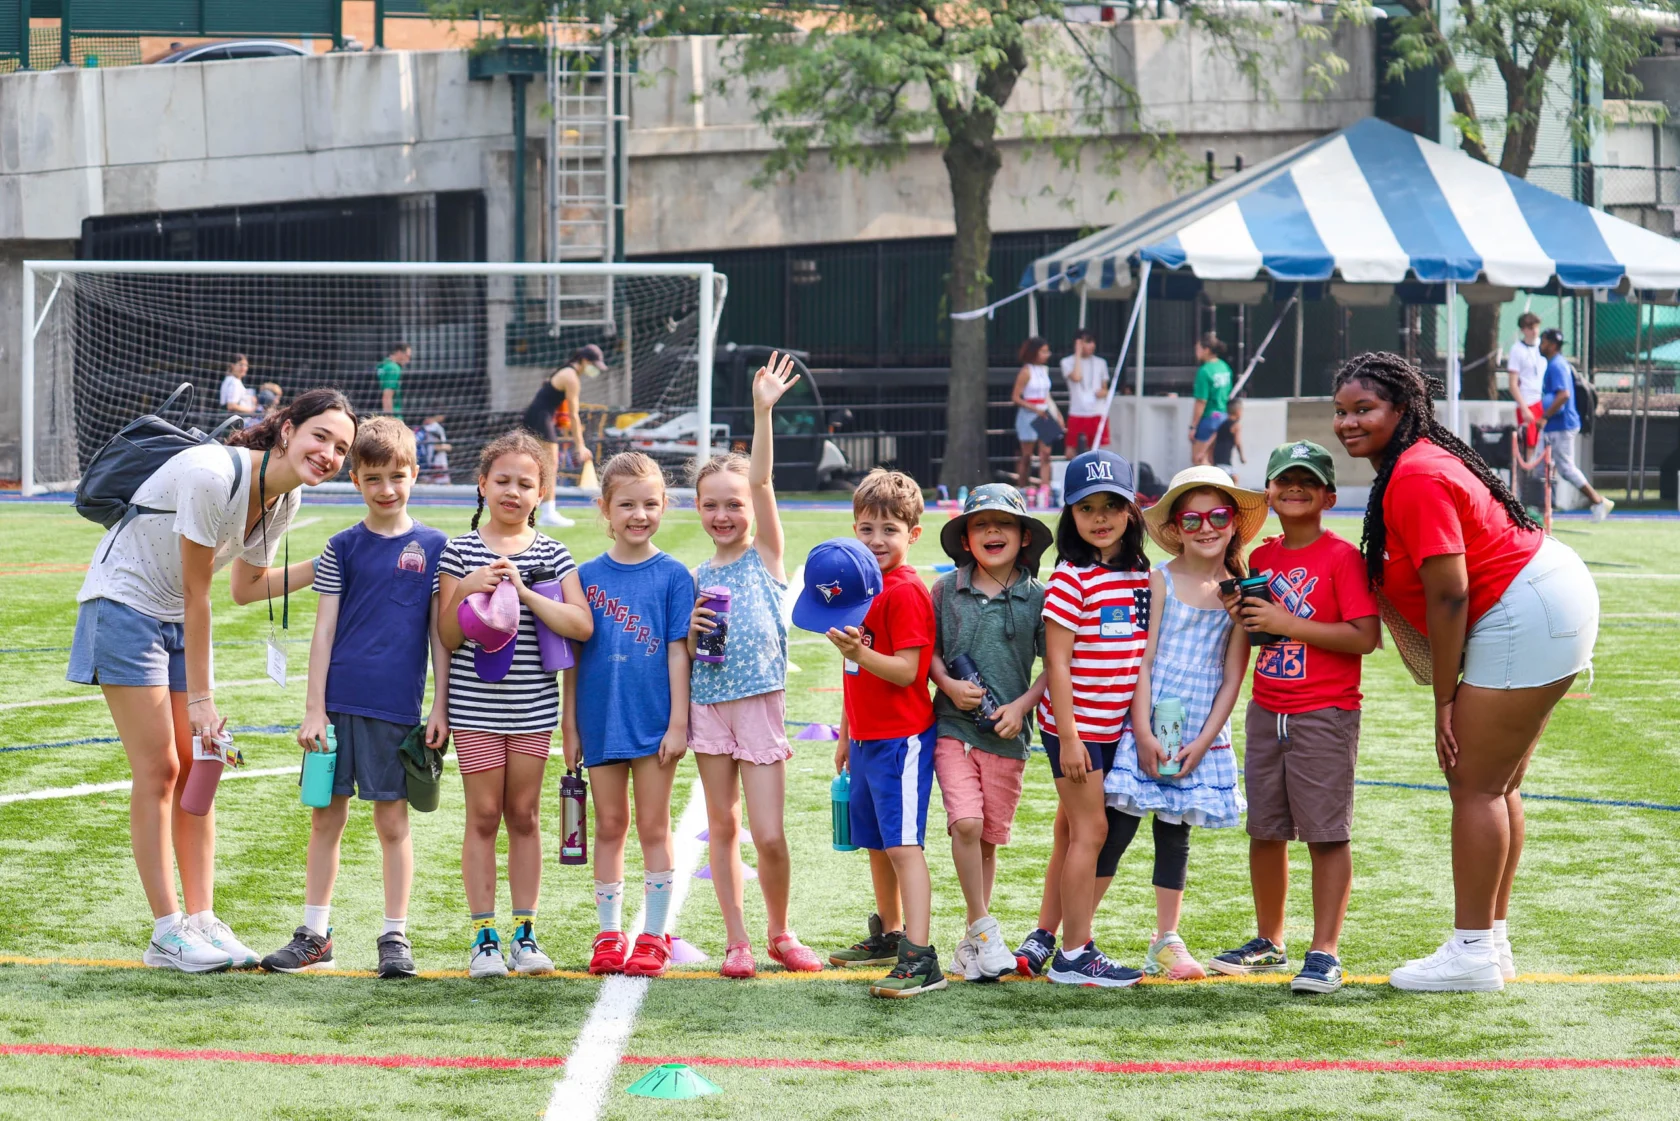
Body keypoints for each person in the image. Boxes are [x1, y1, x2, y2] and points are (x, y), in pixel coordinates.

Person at [1331, 352, 1599, 992]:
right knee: (1498, 782)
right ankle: (1492, 943)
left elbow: (1449, 594)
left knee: (1473, 784)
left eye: (1364, 409)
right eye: (1340, 412)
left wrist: (1444, 701)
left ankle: (1473, 951)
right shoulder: (1413, 464)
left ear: (1402, 410)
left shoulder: (1415, 475)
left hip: (1526, 605)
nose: (1347, 423)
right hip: (1542, 596)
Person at [69, 389, 357, 971]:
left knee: (202, 769)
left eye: (341, 448)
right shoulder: (209, 474)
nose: (328, 453)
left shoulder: (285, 498)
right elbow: (201, 594)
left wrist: (335, 563)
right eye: (319, 436)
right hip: (123, 606)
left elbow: (246, 587)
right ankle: (166, 932)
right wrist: (203, 701)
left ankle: (202, 919)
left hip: (173, 617)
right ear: (286, 430)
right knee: (162, 770)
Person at [261, 417, 450, 978]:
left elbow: (440, 635)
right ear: (356, 480)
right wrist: (313, 707)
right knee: (326, 820)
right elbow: (323, 631)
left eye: (397, 476)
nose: (386, 488)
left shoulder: (437, 547)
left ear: (415, 474)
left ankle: (395, 935)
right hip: (336, 708)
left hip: (397, 711)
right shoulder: (341, 546)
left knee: (393, 824)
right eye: (373, 478)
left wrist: (439, 706)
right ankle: (314, 932)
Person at [1209, 441, 1379, 995]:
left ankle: (1325, 950)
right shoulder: (1263, 558)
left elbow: (1365, 637)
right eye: (1285, 480)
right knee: (1266, 830)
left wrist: (1288, 621)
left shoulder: (1342, 557)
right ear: (1269, 493)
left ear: (1329, 494)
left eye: (1308, 480)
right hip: (1268, 709)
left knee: (1327, 834)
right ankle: (1269, 940)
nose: (1296, 488)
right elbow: (1265, 635)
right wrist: (1249, 616)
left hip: (1325, 713)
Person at [686, 354, 824, 978]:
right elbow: (685, 653)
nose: (724, 516)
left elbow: (764, 483)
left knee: (768, 833)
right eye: (712, 505)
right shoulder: (694, 578)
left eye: (733, 505)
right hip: (707, 706)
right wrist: (689, 636)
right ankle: (737, 940)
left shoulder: (766, 556)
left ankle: (779, 931)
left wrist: (762, 412)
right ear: (697, 508)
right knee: (722, 825)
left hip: (760, 703)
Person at [437, 430, 593, 978]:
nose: (513, 491)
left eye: (526, 483)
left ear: (542, 492)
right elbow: (447, 637)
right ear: (482, 484)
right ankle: (484, 937)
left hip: (532, 707)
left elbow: (581, 625)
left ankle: (526, 934)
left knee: (524, 815)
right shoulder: (460, 550)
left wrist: (527, 593)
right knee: (482, 815)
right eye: (502, 480)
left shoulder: (552, 552)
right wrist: (470, 586)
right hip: (475, 706)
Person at [1104, 465, 1261, 980]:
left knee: (1175, 834)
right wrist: (1144, 732)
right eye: (1191, 519)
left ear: (1234, 521)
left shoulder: (1239, 592)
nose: (1206, 528)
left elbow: (1233, 678)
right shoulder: (1160, 578)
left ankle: (1166, 939)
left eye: (1218, 515)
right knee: (1117, 829)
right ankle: (1075, 934)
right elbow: (1143, 660)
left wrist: (1204, 741)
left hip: (1199, 734)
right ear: (1174, 527)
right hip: (1147, 723)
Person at [1015, 450, 1152, 988]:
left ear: (1131, 511)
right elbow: (1057, 663)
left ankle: (1048, 935)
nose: (1100, 518)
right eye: (1086, 507)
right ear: (1069, 515)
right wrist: (1070, 738)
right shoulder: (1071, 579)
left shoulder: (1140, 574)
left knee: (1071, 831)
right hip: (1076, 731)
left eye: (1112, 506)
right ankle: (1076, 952)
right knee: (1091, 832)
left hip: (1115, 727)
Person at [811, 471, 942, 998]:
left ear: (913, 534)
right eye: (866, 529)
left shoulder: (906, 591)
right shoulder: (860, 586)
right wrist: (846, 732)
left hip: (902, 741)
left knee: (903, 845)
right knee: (876, 844)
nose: (876, 541)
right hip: (866, 740)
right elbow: (855, 675)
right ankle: (889, 932)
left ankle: (921, 955)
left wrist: (859, 653)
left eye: (889, 529)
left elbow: (908, 670)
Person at [565, 452, 695, 978]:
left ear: (664, 505)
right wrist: (569, 725)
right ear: (605, 509)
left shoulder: (673, 576)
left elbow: (676, 652)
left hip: (654, 722)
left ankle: (654, 935)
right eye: (626, 505)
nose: (638, 515)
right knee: (610, 825)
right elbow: (572, 658)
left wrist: (679, 722)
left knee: (652, 826)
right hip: (599, 722)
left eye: (650, 504)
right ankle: (608, 933)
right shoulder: (585, 576)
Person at [929, 484, 1051, 982]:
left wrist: (1022, 707)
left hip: (1008, 737)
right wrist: (948, 685)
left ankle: (970, 944)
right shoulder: (945, 589)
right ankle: (983, 927)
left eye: (1004, 523)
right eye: (980, 524)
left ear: (1024, 537)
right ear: (966, 538)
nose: (992, 531)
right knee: (967, 824)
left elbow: (1054, 665)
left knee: (987, 842)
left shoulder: (1037, 596)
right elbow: (930, 652)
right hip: (952, 726)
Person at [524, 344, 605, 529]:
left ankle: (542, 510)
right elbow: (574, 414)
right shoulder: (572, 378)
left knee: (542, 465)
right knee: (550, 464)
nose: (594, 370)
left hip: (539, 416)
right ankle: (548, 513)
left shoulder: (567, 372)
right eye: (593, 364)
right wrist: (580, 445)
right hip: (540, 417)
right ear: (584, 361)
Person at [1536, 328, 1614, 521]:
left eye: (1544, 341)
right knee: (1542, 468)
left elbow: (1564, 395)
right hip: (1556, 425)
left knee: (1566, 468)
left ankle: (1598, 501)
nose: (1541, 344)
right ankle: (1542, 509)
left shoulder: (1557, 366)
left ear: (1552, 345)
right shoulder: (1554, 364)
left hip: (1561, 424)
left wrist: (1545, 416)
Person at [1011, 337, 1062, 507]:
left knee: (1045, 454)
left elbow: (1047, 395)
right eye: (1043, 351)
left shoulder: (1044, 370)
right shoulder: (1026, 371)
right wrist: (1034, 409)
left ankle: (1045, 489)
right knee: (1026, 455)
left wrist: (1056, 414)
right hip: (1028, 416)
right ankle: (1023, 488)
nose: (1047, 354)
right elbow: (1016, 397)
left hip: (1044, 414)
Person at [1060, 329, 1110, 455]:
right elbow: (1076, 377)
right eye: (1088, 342)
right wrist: (1078, 354)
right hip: (1078, 411)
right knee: (1071, 451)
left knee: (1096, 450)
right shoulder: (1067, 362)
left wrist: (1102, 392)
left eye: (1093, 342)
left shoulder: (1101, 362)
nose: (1092, 345)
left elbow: (1105, 388)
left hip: (1097, 411)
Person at [1189, 334, 1234, 466]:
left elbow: (1201, 401)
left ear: (1206, 350)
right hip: (1223, 416)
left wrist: (1193, 426)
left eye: (1198, 349)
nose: (1196, 352)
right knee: (1213, 459)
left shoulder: (1204, 371)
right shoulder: (1224, 367)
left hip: (1209, 418)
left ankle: (1206, 486)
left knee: (1198, 459)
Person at [1507, 312, 1546, 450]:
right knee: (1529, 444)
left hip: (1543, 400)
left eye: (1536, 327)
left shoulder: (1544, 346)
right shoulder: (1517, 350)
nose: (1534, 331)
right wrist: (1523, 408)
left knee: (1545, 443)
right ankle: (1528, 470)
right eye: (1530, 328)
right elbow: (1512, 383)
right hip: (1528, 401)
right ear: (1523, 330)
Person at [1211, 397, 1245, 483]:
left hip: (1218, 457)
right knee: (1234, 479)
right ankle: (1233, 496)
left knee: (1230, 478)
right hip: (1224, 459)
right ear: (1238, 411)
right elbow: (1238, 443)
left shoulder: (1222, 424)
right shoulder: (1236, 425)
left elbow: (1213, 440)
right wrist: (1241, 456)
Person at [415, 415, 452, 485]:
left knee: (429, 483)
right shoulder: (433, 428)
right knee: (444, 483)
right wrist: (447, 447)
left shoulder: (429, 428)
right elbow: (435, 447)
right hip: (437, 462)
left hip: (431, 462)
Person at [378, 343, 411, 420]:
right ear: (399, 353)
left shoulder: (383, 365)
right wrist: (390, 421)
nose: (408, 360)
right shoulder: (393, 368)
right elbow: (387, 396)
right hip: (393, 419)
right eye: (407, 356)